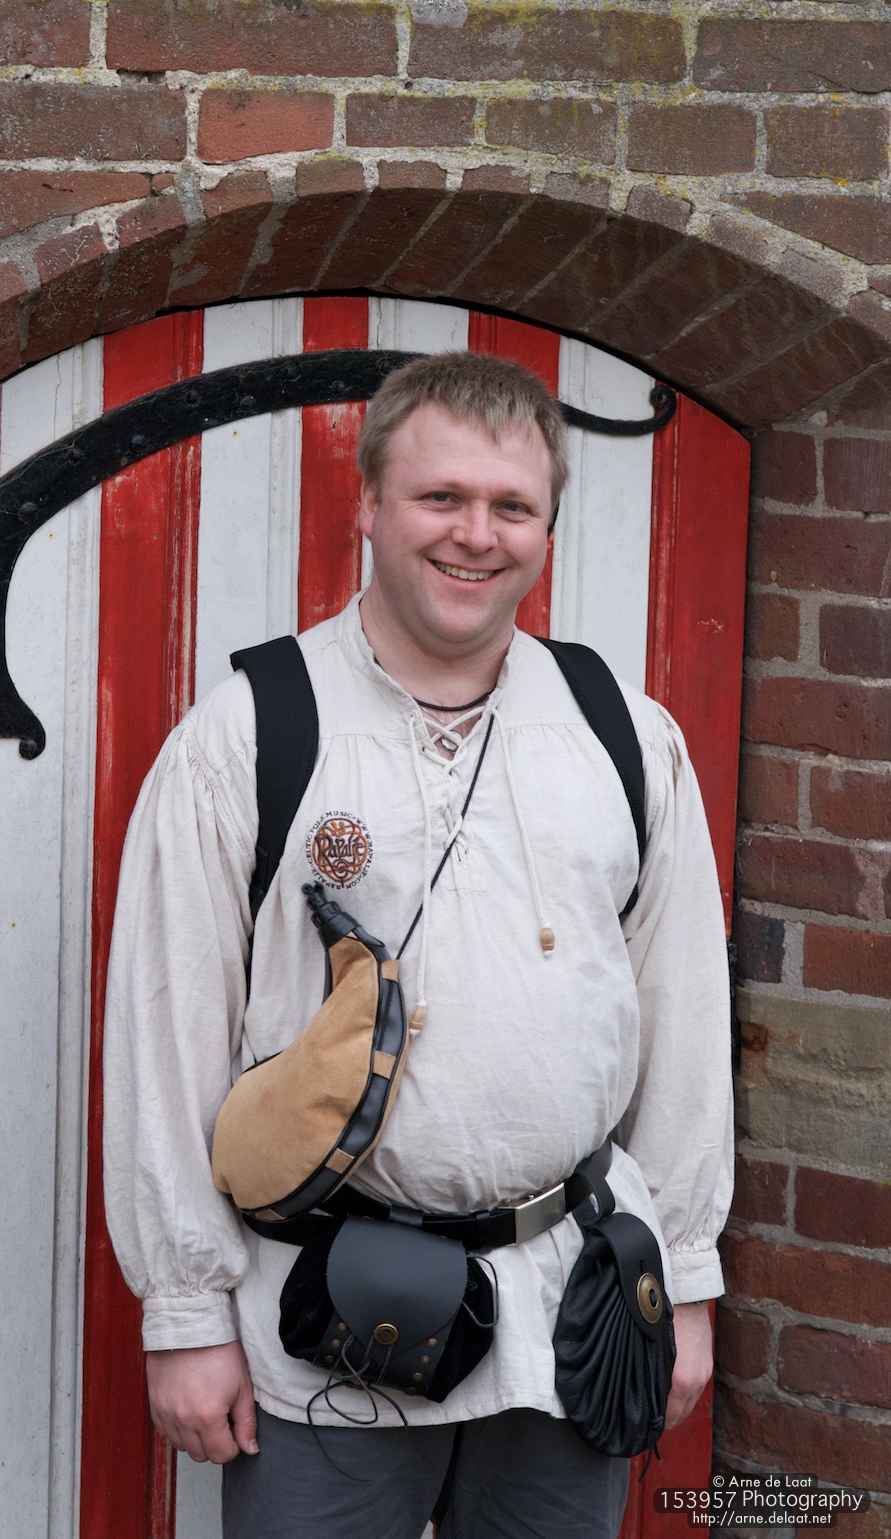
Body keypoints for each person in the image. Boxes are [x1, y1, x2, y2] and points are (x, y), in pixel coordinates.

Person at [103, 352, 733, 1538]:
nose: (475, 535)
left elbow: (686, 1018)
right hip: (326, 1327)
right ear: (368, 506)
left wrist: (684, 1279)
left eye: (511, 506)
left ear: (547, 526)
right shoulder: (252, 732)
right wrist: (183, 1312)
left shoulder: (622, 734)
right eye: (441, 497)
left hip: (567, 1315)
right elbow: (165, 1033)